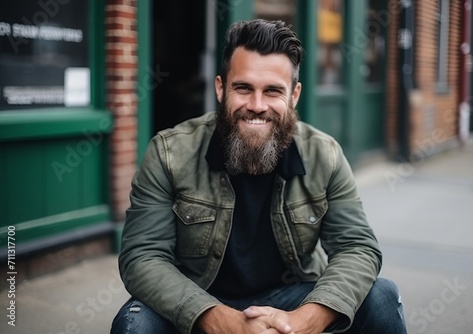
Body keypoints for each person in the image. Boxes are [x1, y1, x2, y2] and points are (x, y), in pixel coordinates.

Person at [111, 19, 407, 334]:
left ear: (294, 96)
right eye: (243, 88)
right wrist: (218, 319)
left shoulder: (326, 154)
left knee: (382, 296)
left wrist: (304, 321)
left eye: (272, 91)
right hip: (199, 298)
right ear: (221, 88)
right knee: (135, 323)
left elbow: (357, 247)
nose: (257, 105)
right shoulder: (169, 152)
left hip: (292, 299)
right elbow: (142, 256)